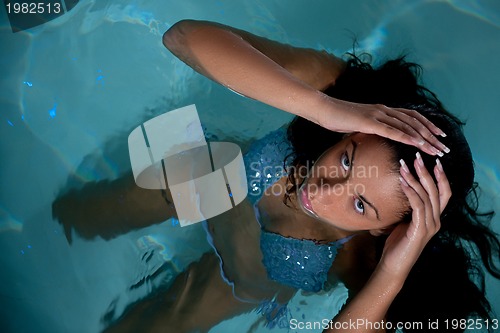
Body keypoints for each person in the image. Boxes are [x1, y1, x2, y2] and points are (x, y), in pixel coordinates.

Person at [53, 20, 500, 333]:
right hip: (208, 176)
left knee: (156, 324)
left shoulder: (368, 259)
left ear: (387, 228)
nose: (323, 192)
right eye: (346, 161)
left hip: (237, 277)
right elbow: (182, 37)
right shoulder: (341, 96)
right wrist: (326, 108)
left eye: (360, 205)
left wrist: (393, 271)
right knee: (72, 219)